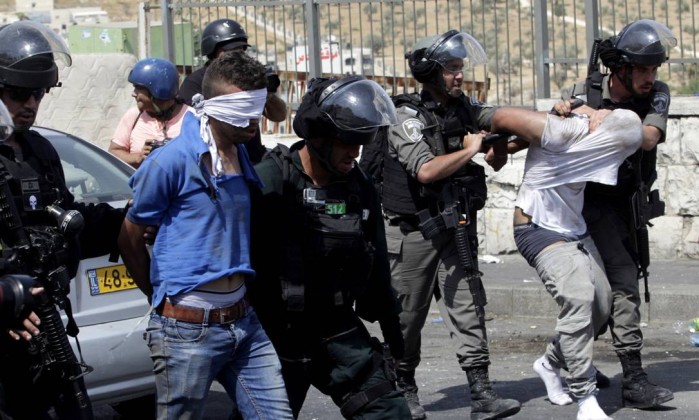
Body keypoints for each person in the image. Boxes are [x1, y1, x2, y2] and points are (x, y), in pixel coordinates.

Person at [117, 50, 292, 419]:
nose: (254, 120)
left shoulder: (240, 154)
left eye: (256, 108)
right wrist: (160, 300)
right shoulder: (171, 161)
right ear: (214, 108)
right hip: (186, 329)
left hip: (244, 323)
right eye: (243, 109)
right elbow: (130, 236)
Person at [248, 76, 411, 419]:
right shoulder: (271, 179)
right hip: (275, 333)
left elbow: (378, 268)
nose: (356, 153)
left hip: (334, 326)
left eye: (361, 143)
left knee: (388, 409)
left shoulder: (358, 186)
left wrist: (394, 340)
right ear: (319, 137)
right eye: (347, 143)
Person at [380, 29, 520, 420]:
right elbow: (425, 170)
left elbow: (498, 128)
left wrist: (511, 139)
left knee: (468, 305)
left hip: (455, 226)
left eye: (461, 67)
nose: (460, 76)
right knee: (407, 316)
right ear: (430, 72)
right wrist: (471, 148)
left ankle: (482, 392)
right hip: (413, 232)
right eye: (452, 69)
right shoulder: (404, 117)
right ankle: (403, 389)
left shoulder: (463, 109)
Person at [0, 20, 125, 420]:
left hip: (45, 321)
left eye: (37, 94)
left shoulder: (39, 151)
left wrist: (127, 221)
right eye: (19, 94)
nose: (30, 104)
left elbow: (65, 219)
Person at [490, 102, 644, 419]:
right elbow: (502, 116)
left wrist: (577, 108)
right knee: (578, 298)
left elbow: (588, 111)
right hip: (538, 228)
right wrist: (499, 146)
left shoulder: (598, 134)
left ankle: (549, 363)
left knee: (601, 305)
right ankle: (585, 398)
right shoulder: (563, 129)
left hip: (574, 228)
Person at [553, 19, 676, 409]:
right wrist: (574, 112)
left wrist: (616, 119)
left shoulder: (657, 94)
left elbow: (649, 138)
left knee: (610, 293)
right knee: (610, 289)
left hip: (625, 205)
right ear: (621, 68)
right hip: (582, 205)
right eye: (642, 69)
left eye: (654, 69)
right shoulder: (584, 93)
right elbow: (554, 133)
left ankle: (567, 361)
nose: (650, 78)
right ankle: (632, 379)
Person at [178, 18, 287, 163]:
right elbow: (191, 124)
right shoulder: (195, 82)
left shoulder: (247, 76)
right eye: (230, 50)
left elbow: (279, 116)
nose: (238, 55)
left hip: (252, 159)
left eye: (241, 50)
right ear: (213, 51)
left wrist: (267, 94)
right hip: (216, 160)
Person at [108, 57, 192, 169]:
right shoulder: (134, 115)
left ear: (157, 90)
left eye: (138, 89)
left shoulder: (192, 118)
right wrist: (137, 157)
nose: (133, 94)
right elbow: (114, 152)